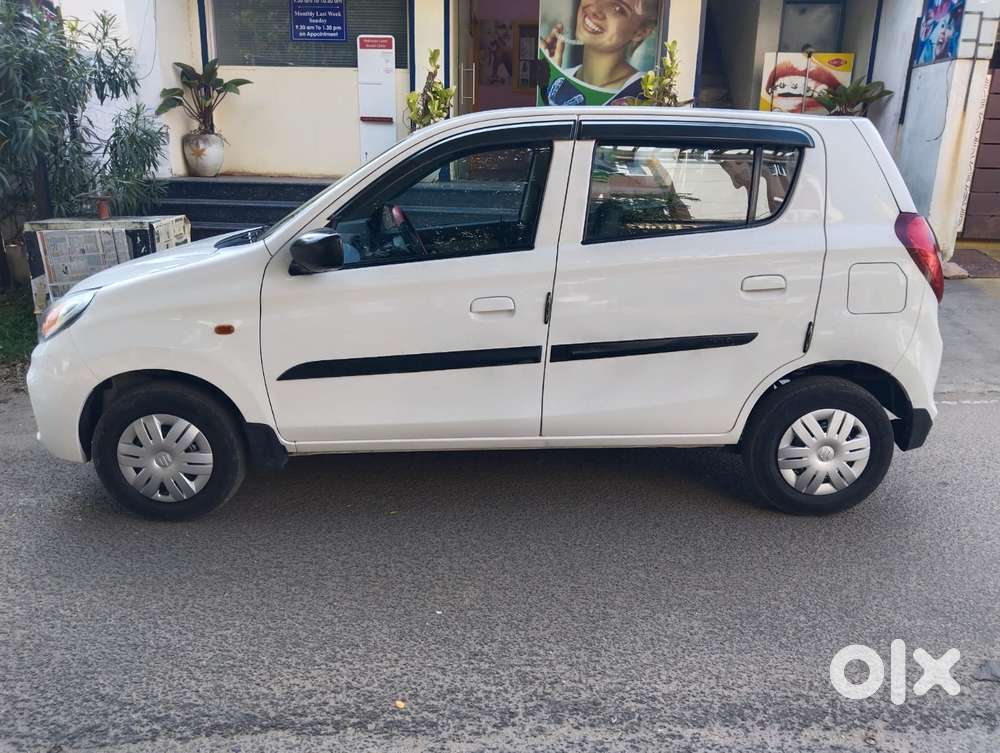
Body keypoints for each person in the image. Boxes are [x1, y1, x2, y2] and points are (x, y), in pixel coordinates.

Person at [539, 0, 658, 102]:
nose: (595, 10)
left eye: (618, 8)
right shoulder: (563, 76)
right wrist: (551, 76)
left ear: (641, 32)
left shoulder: (641, 93)